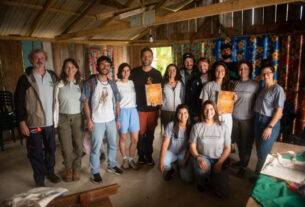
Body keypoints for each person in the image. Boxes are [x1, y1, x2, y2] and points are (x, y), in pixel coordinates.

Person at [14, 49, 60, 187]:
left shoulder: (52, 76)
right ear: (31, 60)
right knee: (36, 152)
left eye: (42, 57)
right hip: (34, 123)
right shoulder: (25, 78)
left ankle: (50, 171)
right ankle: (39, 178)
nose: (39, 60)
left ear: (45, 59)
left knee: (51, 149)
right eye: (36, 58)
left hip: (50, 123)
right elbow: (18, 101)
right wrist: (22, 122)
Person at [81, 56, 123, 184]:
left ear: (110, 68)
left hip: (111, 120)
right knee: (95, 147)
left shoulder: (112, 83)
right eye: (102, 64)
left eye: (107, 65)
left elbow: (118, 101)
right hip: (96, 121)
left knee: (112, 144)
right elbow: (85, 102)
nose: (105, 67)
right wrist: (89, 120)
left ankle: (111, 165)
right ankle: (95, 172)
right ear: (97, 66)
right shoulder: (90, 83)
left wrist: (118, 119)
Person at [250, 63, 285, 182]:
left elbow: (279, 112)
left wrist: (269, 127)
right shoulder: (263, 88)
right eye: (263, 74)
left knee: (264, 152)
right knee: (260, 151)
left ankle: (260, 178)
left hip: (269, 122)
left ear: (273, 74)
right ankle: (259, 175)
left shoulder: (277, 89)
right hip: (258, 120)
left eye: (268, 73)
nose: (266, 76)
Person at [189, 100, 231, 198]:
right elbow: (192, 146)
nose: (209, 112)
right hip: (203, 157)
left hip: (219, 158)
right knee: (201, 170)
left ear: (215, 111)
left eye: (211, 109)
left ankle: (213, 176)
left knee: (223, 194)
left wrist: (220, 163)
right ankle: (202, 181)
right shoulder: (197, 126)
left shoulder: (223, 127)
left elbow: (228, 148)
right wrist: (198, 158)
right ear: (203, 111)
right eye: (206, 109)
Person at [131, 47, 162, 166]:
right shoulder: (134, 72)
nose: (146, 58)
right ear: (141, 57)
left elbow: (160, 92)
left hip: (153, 109)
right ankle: (141, 155)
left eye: (149, 56)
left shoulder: (157, 74)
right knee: (140, 134)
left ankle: (149, 155)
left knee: (150, 134)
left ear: (152, 58)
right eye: (144, 56)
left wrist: (158, 104)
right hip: (139, 108)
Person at [54, 58, 84, 182]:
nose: (70, 69)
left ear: (76, 69)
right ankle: (68, 169)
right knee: (66, 147)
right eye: (67, 67)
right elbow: (54, 103)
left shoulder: (81, 83)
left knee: (78, 146)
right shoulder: (59, 84)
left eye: (72, 67)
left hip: (78, 117)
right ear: (64, 69)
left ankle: (76, 170)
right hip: (63, 118)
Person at [232, 60, 260, 177]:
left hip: (248, 119)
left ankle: (244, 166)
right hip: (234, 118)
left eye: (245, 68)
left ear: (249, 70)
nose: (243, 70)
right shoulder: (234, 84)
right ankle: (242, 160)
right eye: (240, 68)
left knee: (246, 144)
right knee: (238, 142)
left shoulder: (255, 85)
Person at [200, 61, 236, 151]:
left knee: (226, 139)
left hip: (227, 116)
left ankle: (224, 160)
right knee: (215, 139)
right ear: (214, 72)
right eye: (217, 70)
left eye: (222, 70)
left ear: (225, 72)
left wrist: (235, 99)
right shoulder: (208, 86)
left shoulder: (230, 85)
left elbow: (231, 103)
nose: (220, 72)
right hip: (212, 116)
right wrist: (214, 111)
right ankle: (214, 159)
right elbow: (203, 103)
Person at [158, 104, 193, 182]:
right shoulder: (171, 125)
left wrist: (185, 160)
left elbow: (191, 147)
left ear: (188, 114)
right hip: (171, 152)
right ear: (177, 114)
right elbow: (165, 144)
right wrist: (161, 161)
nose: (183, 115)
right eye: (180, 113)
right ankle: (170, 169)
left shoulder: (191, 127)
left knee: (187, 178)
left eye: (185, 113)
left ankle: (178, 165)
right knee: (163, 162)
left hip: (183, 153)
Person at [116, 63, 140, 170]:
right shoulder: (117, 84)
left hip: (133, 111)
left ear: (130, 72)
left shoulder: (132, 83)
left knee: (135, 139)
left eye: (128, 70)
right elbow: (115, 102)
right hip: (122, 111)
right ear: (120, 72)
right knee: (123, 137)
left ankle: (131, 159)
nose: (126, 73)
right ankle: (124, 159)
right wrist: (118, 117)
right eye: (123, 70)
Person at [161, 64, 184, 130]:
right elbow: (159, 96)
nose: (172, 72)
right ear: (167, 72)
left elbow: (182, 96)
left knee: (177, 129)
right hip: (166, 111)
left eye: (174, 70)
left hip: (178, 110)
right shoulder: (163, 83)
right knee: (167, 130)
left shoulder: (180, 83)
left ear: (176, 72)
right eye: (170, 70)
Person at [188, 57, 210, 122]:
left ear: (209, 65)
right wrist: (195, 114)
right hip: (199, 112)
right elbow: (192, 99)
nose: (202, 68)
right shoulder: (194, 81)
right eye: (200, 66)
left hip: (212, 112)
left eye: (205, 65)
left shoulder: (214, 79)